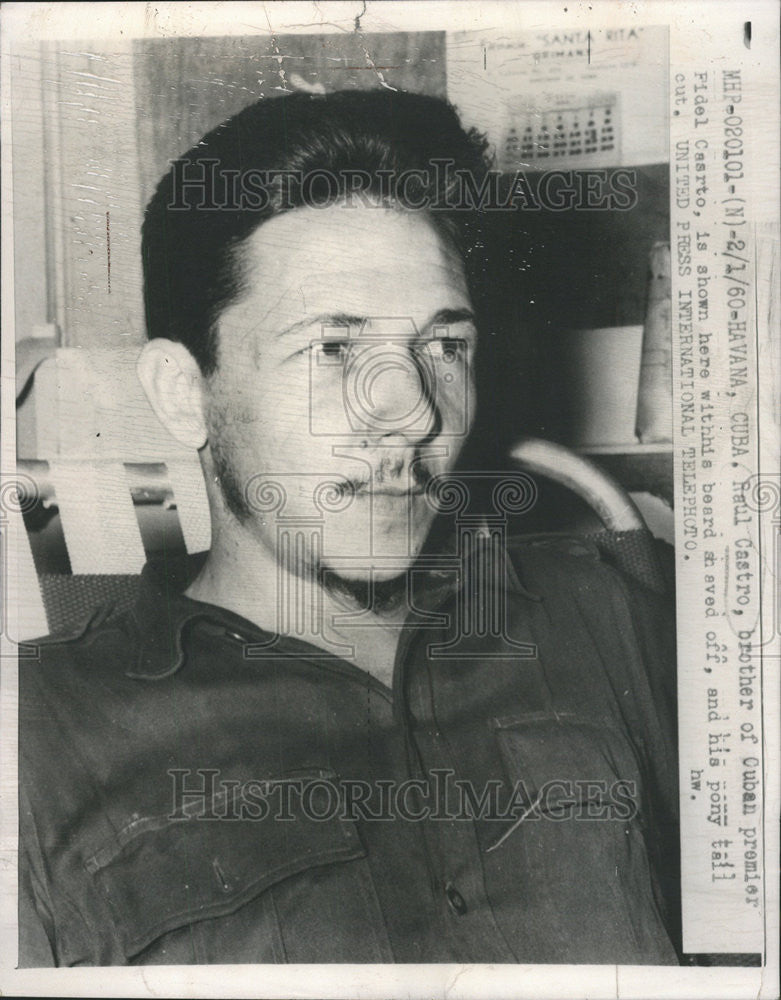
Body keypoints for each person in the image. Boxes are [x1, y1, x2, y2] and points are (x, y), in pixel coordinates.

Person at [19, 89, 680, 966]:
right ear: (185, 393)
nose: (409, 413)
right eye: (332, 349)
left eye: (444, 346)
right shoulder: (37, 742)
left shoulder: (616, 612)